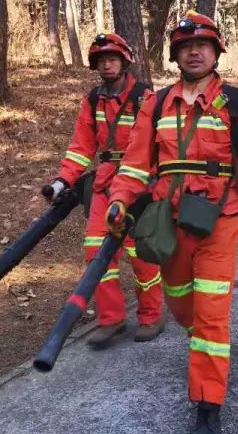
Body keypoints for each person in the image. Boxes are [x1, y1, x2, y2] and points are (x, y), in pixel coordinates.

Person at [105, 11, 238, 434]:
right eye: (186, 46)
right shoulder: (156, 103)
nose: (194, 52)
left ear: (216, 52)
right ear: (175, 54)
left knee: (209, 314)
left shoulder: (235, 101)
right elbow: (134, 162)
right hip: (169, 222)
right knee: (183, 305)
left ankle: (207, 403)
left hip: (219, 219)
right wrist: (119, 199)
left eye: (203, 45)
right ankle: (209, 350)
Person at [45, 33, 164, 348]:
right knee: (96, 252)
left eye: (112, 59)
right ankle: (111, 319)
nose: (107, 65)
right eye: (101, 60)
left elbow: (157, 145)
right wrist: (63, 181)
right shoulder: (93, 100)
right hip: (104, 183)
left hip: (140, 183)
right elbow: (81, 147)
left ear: (125, 62)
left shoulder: (145, 98)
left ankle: (152, 315)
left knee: (141, 254)